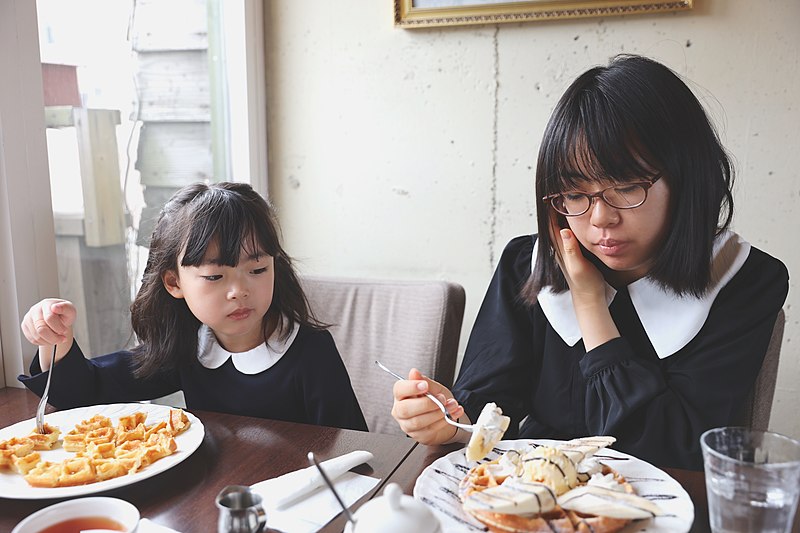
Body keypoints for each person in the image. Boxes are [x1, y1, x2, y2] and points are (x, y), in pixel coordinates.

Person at [390, 54, 789, 470]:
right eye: (575, 195)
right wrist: (446, 420)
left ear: (687, 177)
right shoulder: (525, 264)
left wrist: (590, 305)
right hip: (526, 501)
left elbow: (668, 452)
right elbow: (490, 405)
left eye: (627, 186)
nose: (601, 219)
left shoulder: (744, 279)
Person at [19, 182, 368, 431]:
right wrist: (57, 340)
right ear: (174, 283)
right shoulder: (188, 348)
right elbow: (86, 392)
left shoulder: (310, 353)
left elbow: (351, 449)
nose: (239, 291)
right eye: (215, 277)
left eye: (258, 269)